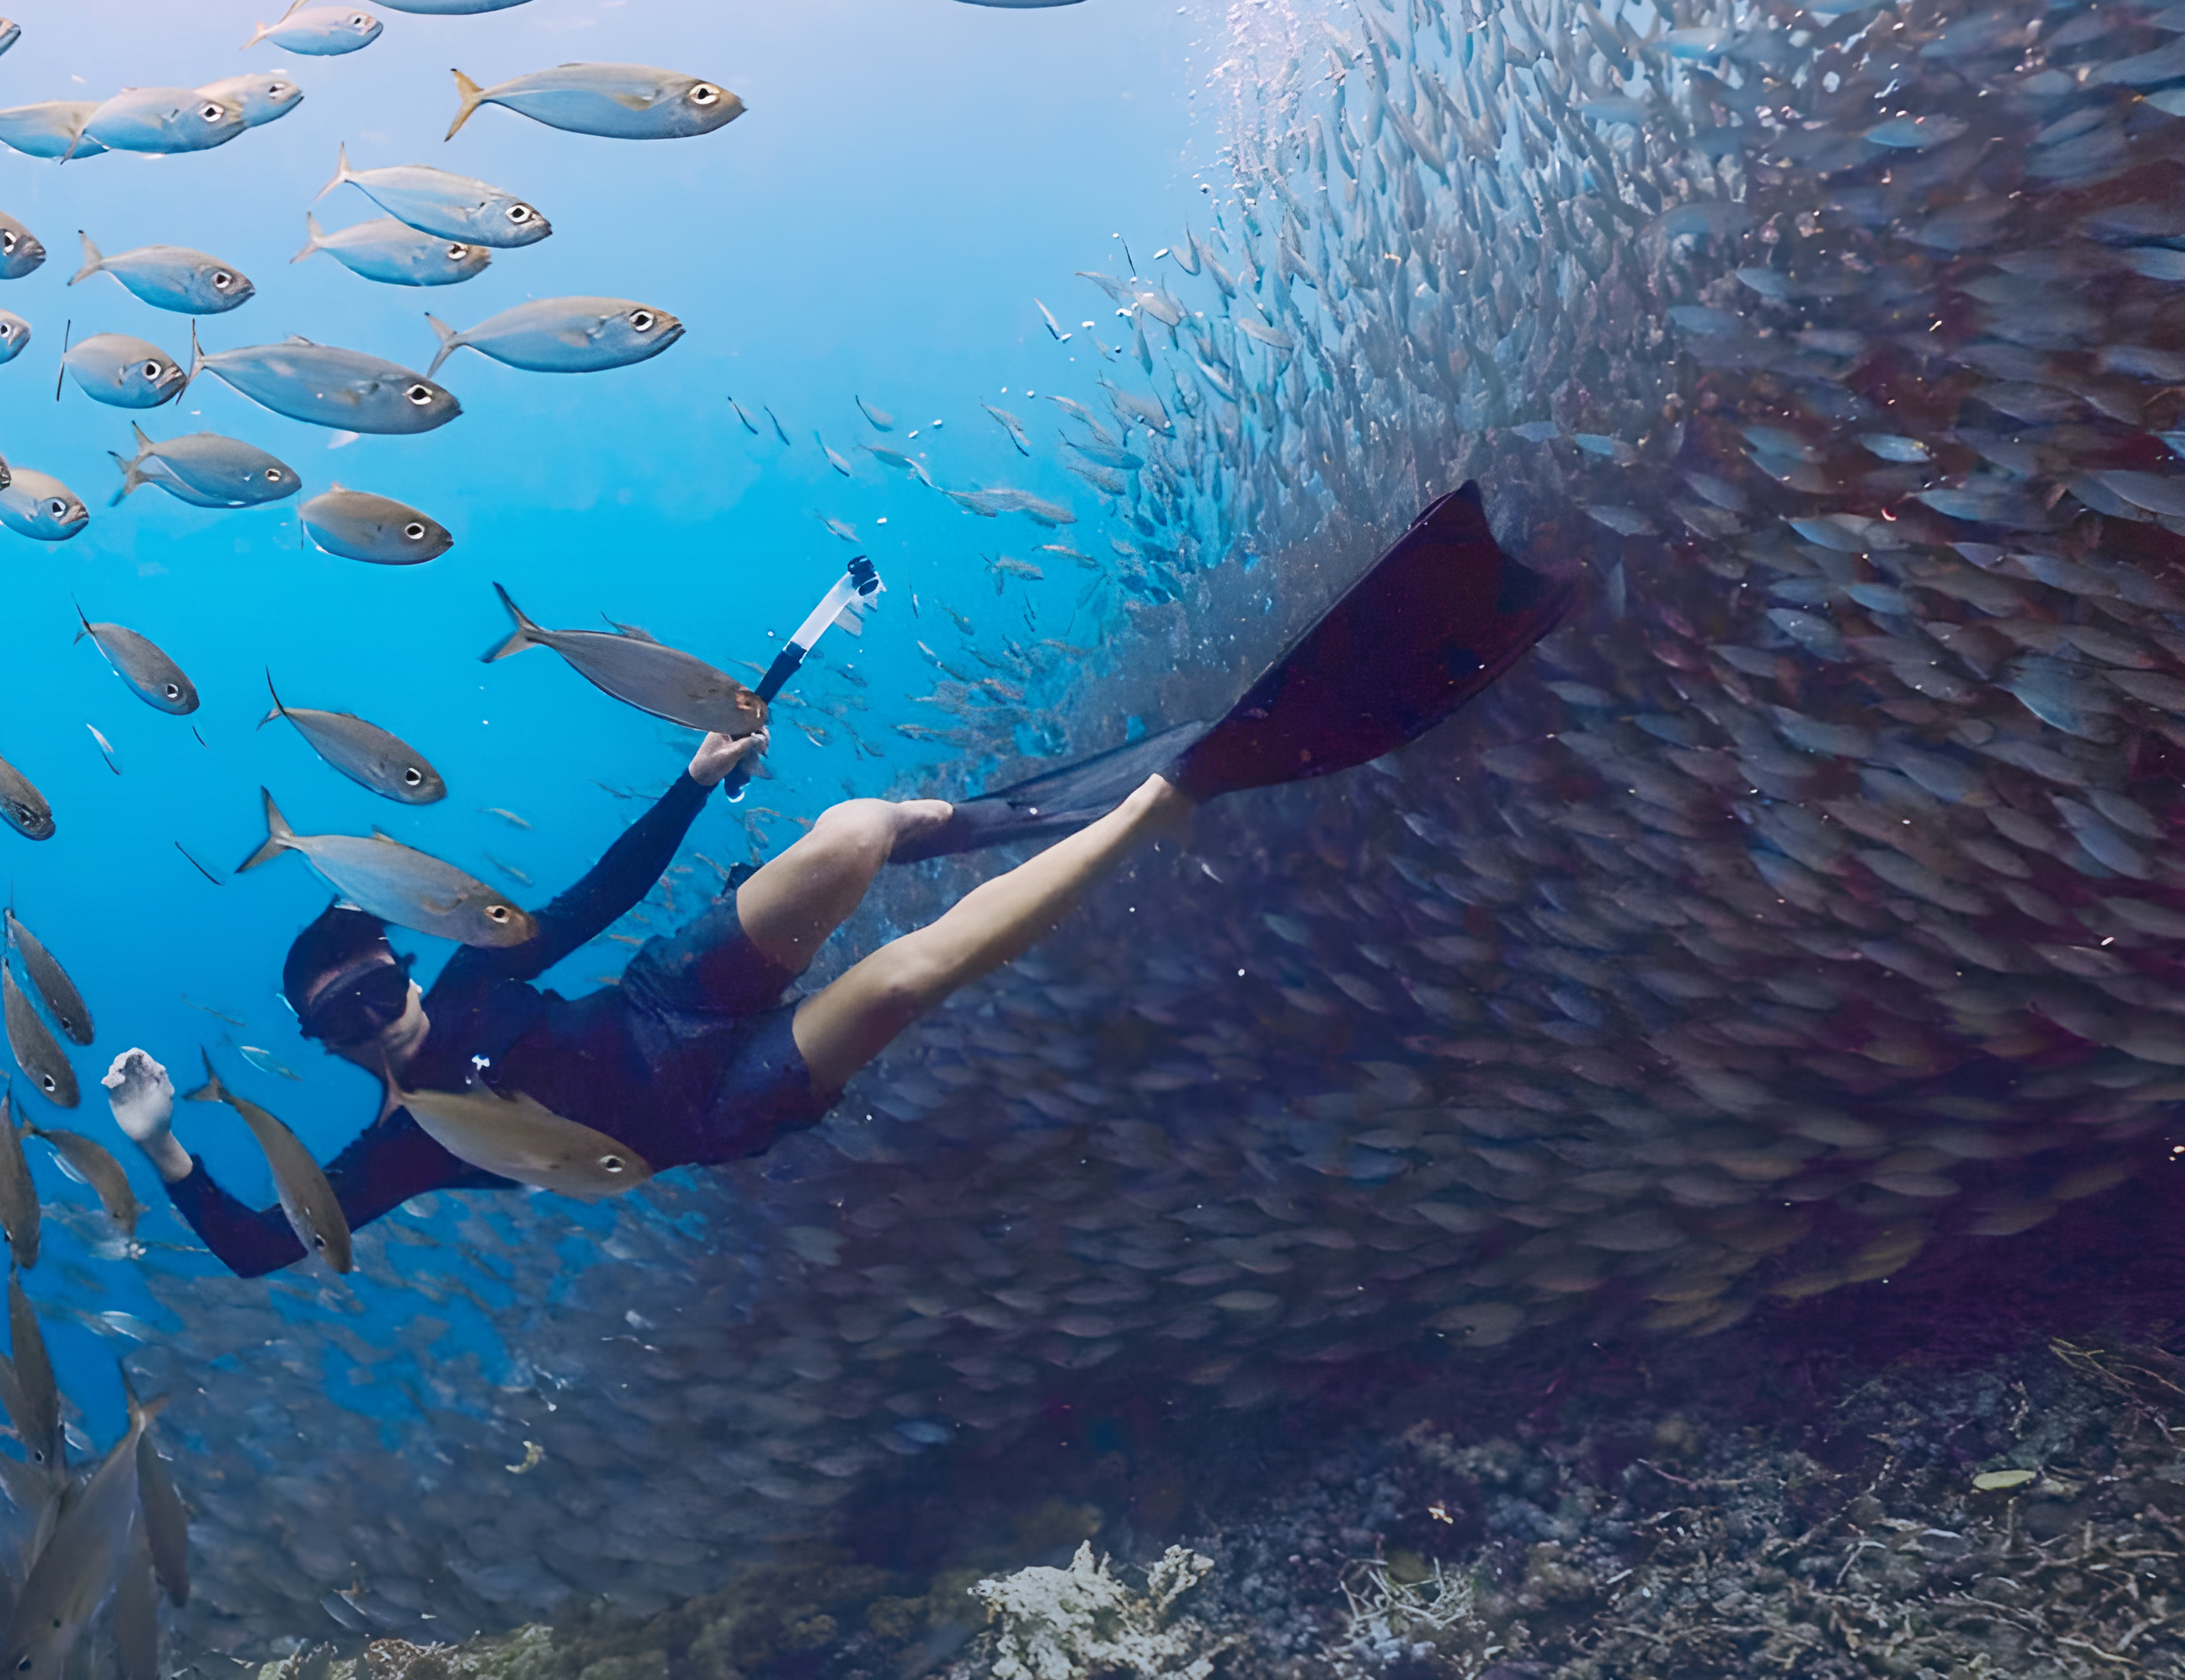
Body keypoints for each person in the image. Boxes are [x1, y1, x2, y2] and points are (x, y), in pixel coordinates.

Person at [106, 482, 1574, 1277]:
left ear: (406, 962)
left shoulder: (481, 966)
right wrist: (166, 1142)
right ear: (328, 1052)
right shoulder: (402, 1149)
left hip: (661, 999)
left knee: (858, 829)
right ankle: (1164, 801)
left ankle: (1027, 810)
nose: (372, 1024)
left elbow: (601, 902)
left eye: (370, 988)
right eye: (339, 1027)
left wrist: (688, 786)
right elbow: (252, 1252)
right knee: (907, 972)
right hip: (710, 1108)